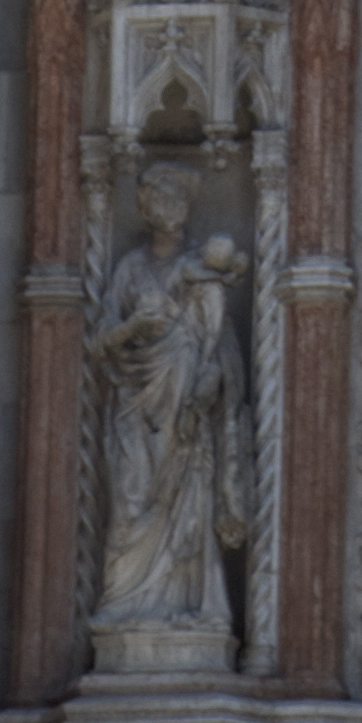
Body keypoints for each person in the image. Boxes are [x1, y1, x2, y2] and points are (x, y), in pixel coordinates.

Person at [91, 165, 251, 650]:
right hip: (135, 402)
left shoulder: (201, 273)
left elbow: (222, 346)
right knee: (131, 494)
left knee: (187, 499)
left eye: (176, 198)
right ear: (144, 208)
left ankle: (188, 605)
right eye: (158, 198)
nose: (168, 207)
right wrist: (134, 328)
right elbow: (98, 341)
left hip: (186, 412)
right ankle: (124, 604)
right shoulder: (130, 269)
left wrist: (210, 379)